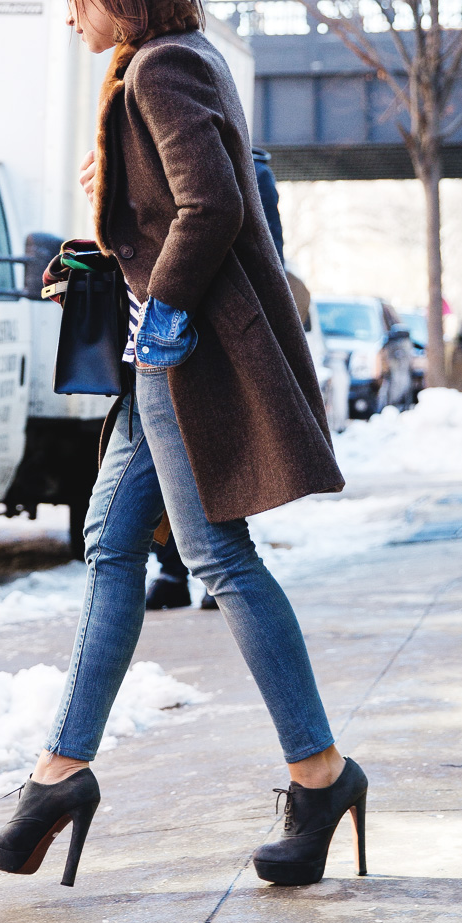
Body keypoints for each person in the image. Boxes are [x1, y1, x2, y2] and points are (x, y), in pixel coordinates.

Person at [0, 0, 367, 889]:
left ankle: (318, 773)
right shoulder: (164, 64)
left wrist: (168, 311)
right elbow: (184, 196)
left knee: (217, 559)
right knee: (111, 547)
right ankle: (59, 774)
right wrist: (112, 199)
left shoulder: (163, 64)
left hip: (176, 351)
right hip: (164, 346)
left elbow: (215, 203)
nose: (68, 14)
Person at [147, 145, 286, 611]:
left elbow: (268, 261)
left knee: (218, 460)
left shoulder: (251, 169)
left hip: (219, 340)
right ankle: (171, 570)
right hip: (161, 340)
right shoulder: (148, 159)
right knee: (166, 476)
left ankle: (204, 573)